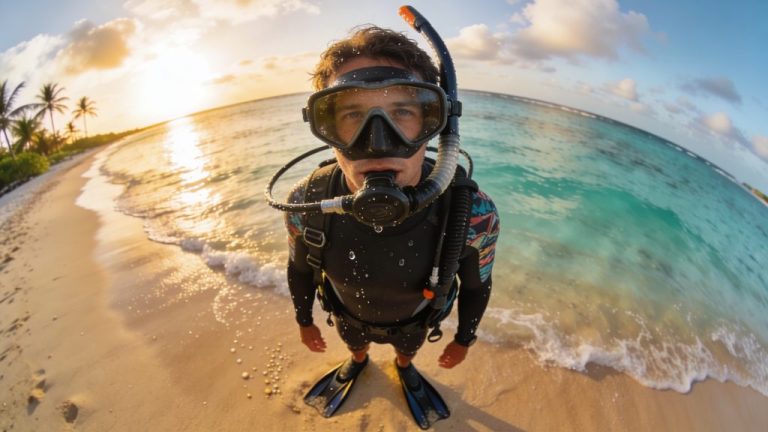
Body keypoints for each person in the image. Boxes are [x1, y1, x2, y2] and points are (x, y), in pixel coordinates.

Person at [283, 25, 499, 429]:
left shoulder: (471, 212)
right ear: (326, 128)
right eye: (351, 115)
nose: (378, 142)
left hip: (414, 324)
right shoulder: (305, 201)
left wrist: (464, 338)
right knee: (354, 342)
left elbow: (476, 285)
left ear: (435, 122)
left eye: (402, 111)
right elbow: (299, 268)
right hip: (346, 315)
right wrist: (305, 319)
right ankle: (358, 360)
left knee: (408, 350)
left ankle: (404, 367)